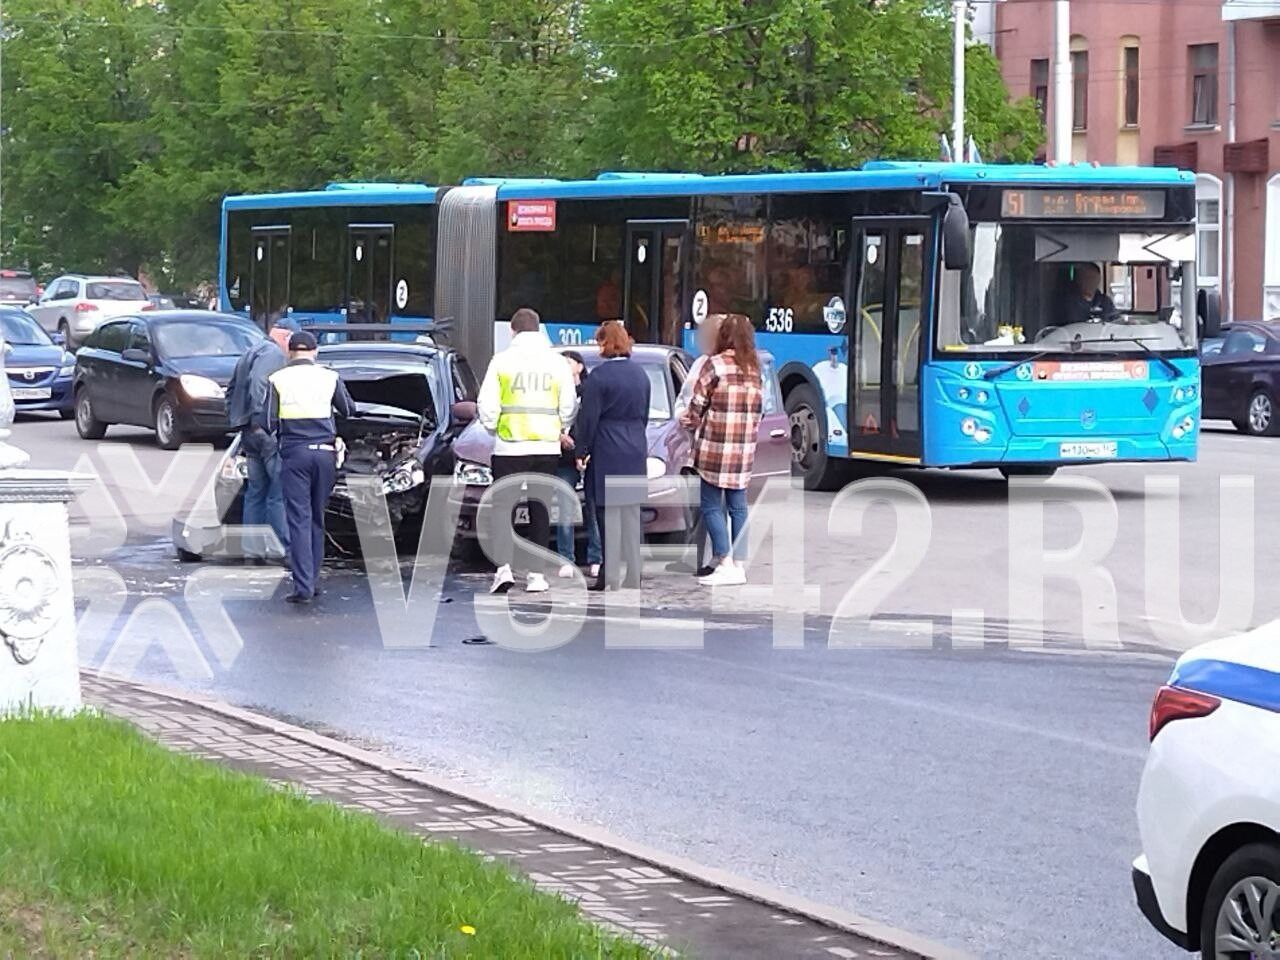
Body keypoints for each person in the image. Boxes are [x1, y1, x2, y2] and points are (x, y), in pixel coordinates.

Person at [477, 307, 579, 594]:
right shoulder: (557, 363)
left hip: (509, 446)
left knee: (503, 509)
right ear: (538, 329)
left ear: (513, 331)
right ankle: (536, 575)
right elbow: (569, 405)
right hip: (546, 446)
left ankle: (503, 569)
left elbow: (487, 405)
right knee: (540, 508)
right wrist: (561, 428)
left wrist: (493, 428)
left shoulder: (502, 361)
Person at [261, 331, 356, 605]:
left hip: (295, 456)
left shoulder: (277, 379)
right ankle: (312, 579)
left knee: (299, 520)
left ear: (290, 353)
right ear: (315, 352)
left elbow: (267, 421)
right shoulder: (329, 377)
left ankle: (303, 586)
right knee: (317, 517)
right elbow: (349, 409)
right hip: (325, 455)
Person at [680, 313, 764, 587]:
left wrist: (691, 419)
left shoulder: (714, 365)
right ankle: (739, 565)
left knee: (711, 505)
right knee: (738, 507)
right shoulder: (755, 368)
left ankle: (724, 560)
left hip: (715, 447)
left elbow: (698, 403)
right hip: (743, 449)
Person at [574, 321, 650, 591]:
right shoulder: (641, 374)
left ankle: (609, 575)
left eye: (599, 342)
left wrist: (581, 450)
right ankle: (634, 573)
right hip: (634, 447)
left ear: (606, 343)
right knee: (631, 514)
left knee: (607, 515)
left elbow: (589, 419)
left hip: (607, 448)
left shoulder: (599, 377)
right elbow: (644, 414)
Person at [226, 318, 295, 564]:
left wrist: (238, 421)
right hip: (265, 434)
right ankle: (282, 550)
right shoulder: (273, 354)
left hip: (248, 433)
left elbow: (232, 389)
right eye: (293, 344)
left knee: (256, 492)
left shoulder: (251, 351)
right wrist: (264, 420)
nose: (292, 352)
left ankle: (252, 551)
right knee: (278, 493)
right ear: (286, 338)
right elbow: (259, 384)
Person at [554, 350, 602, 580]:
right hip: (564, 457)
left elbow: (593, 421)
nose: (563, 365)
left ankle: (596, 558)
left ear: (580, 367)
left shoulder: (592, 389)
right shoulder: (554, 390)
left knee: (594, 508)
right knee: (565, 506)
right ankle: (566, 559)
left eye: (568, 361)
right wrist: (560, 436)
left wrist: (584, 448)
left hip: (590, 456)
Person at [1059, 263, 1118, 327]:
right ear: (1079, 279)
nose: (1091, 281)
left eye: (1094, 278)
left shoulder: (1105, 302)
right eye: (1087, 277)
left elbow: (1115, 321)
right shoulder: (1069, 303)